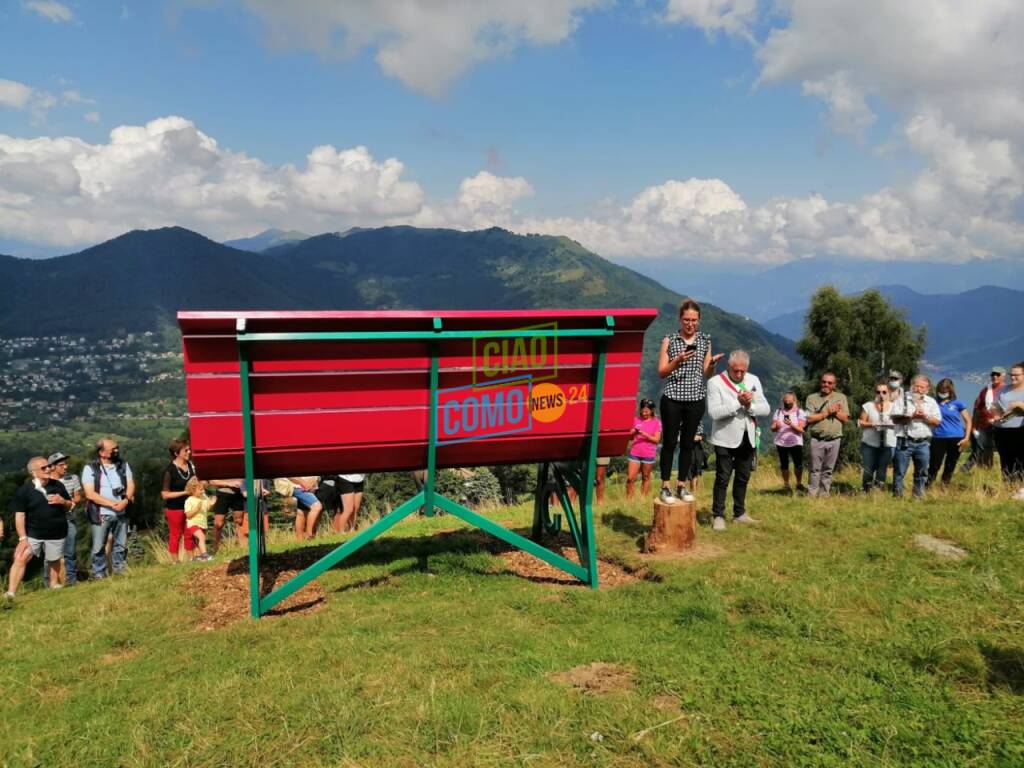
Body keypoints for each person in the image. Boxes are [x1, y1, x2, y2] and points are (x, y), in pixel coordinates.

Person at [656, 299, 723, 505]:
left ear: (699, 320)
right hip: (673, 398)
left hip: (695, 399)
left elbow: (706, 373)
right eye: (686, 320)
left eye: (694, 320)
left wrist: (712, 364)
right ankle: (665, 486)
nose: (690, 324)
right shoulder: (670, 339)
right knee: (669, 443)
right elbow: (661, 371)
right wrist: (678, 361)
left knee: (687, 444)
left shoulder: (704, 340)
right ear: (680, 319)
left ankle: (681, 485)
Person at [706, 350, 770, 530]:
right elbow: (714, 412)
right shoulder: (715, 382)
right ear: (728, 367)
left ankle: (739, 513)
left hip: (747, 436)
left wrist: (750, 406)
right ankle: (718, 515)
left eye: (743, 371)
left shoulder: (753, 380)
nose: (739, 374)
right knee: (722, 478)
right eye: (735, 370)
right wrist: (738, 403)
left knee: (743, 476)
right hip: (724, 438)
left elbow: (765, 408)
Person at [3, 457, 72, 606]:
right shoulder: (25, 491)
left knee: (54, 559)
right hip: (33, 534)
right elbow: (19, 515)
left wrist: (63, 501)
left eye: (49, 466)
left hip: (57, 532)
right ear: (33, 473)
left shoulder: (58, 485)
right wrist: (22, 539)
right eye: (44, 468)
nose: (48, 469)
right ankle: (11, 593)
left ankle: (54, 585)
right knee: (21, 558)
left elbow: (70, 504)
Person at [82, 438, 135, 579]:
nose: (116, 451)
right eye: (113, 449)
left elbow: (130, 485)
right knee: (99, 546)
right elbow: (90, 494)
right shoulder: (90, 468)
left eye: (117, 447)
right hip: (101, 513)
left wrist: (125, 500)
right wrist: (112, 504)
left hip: (122, 512)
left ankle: (120, 569)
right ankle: (99, 572)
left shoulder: (123, 465)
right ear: (102, 452)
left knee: (121, 544)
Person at [890, 375, 941, 498]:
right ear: (912, 386)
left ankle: (918, 495)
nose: (918, 389)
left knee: (922, 471)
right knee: (900, 471)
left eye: (922, 387)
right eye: (916, 386)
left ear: (927, 389)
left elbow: (937, 422)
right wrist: (912, 416)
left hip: (923, 443)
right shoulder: (901, 400)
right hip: (904, 441)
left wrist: (925, 416)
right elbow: (895, 419)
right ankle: (898, 495)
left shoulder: (931, 402)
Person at [804, 373, 849, 497]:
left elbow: (845, 418)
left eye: (830, 383)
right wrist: (827, 412)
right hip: (817, 439)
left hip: (835, 439)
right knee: (814, 469)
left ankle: (824, 494)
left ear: (834, 385)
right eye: (824, 382)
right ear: (820, 382)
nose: (826, 385)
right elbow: (808, 418)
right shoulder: (811, 398)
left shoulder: (841, 397)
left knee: (828, 470)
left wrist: (835, 413)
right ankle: (812, 494)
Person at [46, 452, 81, 586]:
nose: (65, 467)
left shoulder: (73, 478)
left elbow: (78, 496)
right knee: (51, 553)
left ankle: (71, 580)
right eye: (61, 465)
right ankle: (49, 582)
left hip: (68, 518)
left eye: (66, 464)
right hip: (51, 521)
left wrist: (66, 502)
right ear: (52, 467)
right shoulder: (46, 481)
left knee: (70, 551)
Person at [961, 367, 1006, 472]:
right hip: (984, 425)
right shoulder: (986, 390)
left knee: (1003, 450)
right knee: (981, 449)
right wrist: (974, 426)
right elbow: (977, 408)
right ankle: (968, 470)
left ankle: (1003, 472)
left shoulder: (1007, 389)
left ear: (1003, 376)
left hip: (1002, 425)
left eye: (997, 374)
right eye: (993, 374)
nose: (994, 376)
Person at [928, 378, 971, 486]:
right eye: (941, 390)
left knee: (950, 464)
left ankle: (944, 485)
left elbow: (968, 420)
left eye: (946, 390)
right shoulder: (933, 402)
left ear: (951, 390)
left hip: (956, 438)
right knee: (934, 464)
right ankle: (928, 485)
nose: (943, 392)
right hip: (938, 437)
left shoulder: (958, 403)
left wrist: (966, 438)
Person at [160, 438, 197, 564]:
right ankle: (175, 561)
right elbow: (165, 494)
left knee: (190, 533)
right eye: (185, 450)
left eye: (189, 449)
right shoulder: (169, 471)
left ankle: (192, 558)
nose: (189, 452)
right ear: (176, 453)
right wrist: (185, 492)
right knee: (176, 535)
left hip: (191, 506)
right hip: (175, 508)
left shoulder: (192, 466)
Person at [992, 362, 1024, 498]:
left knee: (1021, 461)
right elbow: (995, 407)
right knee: (1006, 460)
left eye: (1016, 375)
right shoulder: (1003, 390)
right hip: (1002, 431)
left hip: (1020, 431)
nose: (1013, 378)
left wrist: (1020, 405)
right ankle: (1009, 488)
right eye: (1011, 375)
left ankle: (1021, 489)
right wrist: (996, 415)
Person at [858, 380, 897, 491]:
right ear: (875, 393)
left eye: (884, 392)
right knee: (868, 469)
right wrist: (873, 424)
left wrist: (890, 425)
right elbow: (861, 423)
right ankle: (865, 490)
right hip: (870, 443)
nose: (881, 395)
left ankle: (878, 492)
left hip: (888, 444)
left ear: (889, 393)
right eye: (878, 392)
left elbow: (899, 424)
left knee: (882, 469)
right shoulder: (868, 406)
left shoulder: (894, 407)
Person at [770, 391, 807, 493]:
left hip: (795, 442)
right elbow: (772, 427)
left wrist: (791, 424)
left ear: (794, 401)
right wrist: (776, 426)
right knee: (784, 464)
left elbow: (801, 429)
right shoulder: (778, 412)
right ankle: (786, 485)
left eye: (789, 401)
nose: (787, 403)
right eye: (785, 401)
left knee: (798, 464)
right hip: (781, 442)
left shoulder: (800, 412)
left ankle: (798, 483)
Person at [626, 398, 661, 500]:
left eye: (647, 411)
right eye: (643, 410)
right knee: (630, 478)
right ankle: (629, 500)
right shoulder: (636, 420)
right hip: (635, 452)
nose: (644, 413)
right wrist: (633, 432)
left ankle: (643, 498)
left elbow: (656, 440)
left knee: (646, 477)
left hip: (648, 453)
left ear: (652, 411)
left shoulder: (656, 422)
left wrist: (645, 435)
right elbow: (629, 437)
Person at [208, 479, 245, 552]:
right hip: (223, 493)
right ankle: (215, 550)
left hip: (239, 494)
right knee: (218, 523)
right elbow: (212, 481)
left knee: (239, 521)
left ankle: (243, 548)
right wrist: (229, 483)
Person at [183, 477, 214, 561]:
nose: (203, 491)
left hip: (203, 523)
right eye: (200, 490)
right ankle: (205, 555)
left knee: (199, 540)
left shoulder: (203, 497)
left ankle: (198, 557)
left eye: (203, 489)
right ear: (193, 491)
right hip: (193, 523)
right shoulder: (189, 500)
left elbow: (208, 508)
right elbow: (188, 515)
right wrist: (196, 509)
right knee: (201, 537)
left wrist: (212, 503)